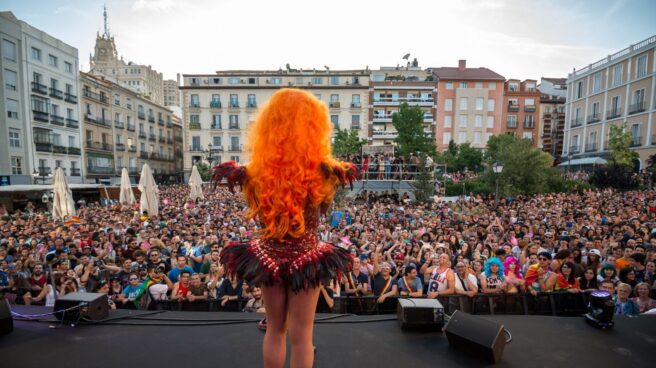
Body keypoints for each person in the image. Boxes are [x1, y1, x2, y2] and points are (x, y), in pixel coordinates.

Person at [213, 89, 357, 368]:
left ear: (269, 123)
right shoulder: (325, 170)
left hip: (269, 259)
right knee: (302, 337)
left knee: (275, 329)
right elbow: (325, 205)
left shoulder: (253, 171)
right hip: (308, 259)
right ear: (313, 125)